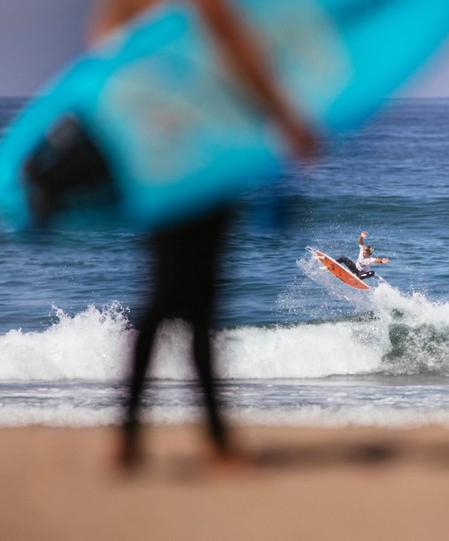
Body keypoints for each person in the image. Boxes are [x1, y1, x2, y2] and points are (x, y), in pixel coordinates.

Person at [88, 0, 317, 469]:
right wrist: (287, 122)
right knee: (192, 302)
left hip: (153, 161)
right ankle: (205, 443)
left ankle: (137, 438)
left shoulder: (122, 8)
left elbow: (100, 62)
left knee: (170, 297)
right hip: (205, 160)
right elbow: (241, 59)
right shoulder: (204, 5)